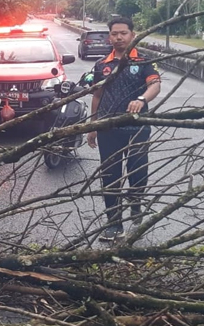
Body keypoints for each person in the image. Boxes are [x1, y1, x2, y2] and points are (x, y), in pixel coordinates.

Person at [86, 17, 161, 241]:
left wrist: (142, 100)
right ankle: (113, 223)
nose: (119, 37)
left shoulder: (145, 61)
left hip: (137, 127)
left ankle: (136, 201)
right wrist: (92, 125)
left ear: (132, 35)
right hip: (108, 128)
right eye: (115, 34)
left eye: (124, 33)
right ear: (109, 37)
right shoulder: (102, 65)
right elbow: (97, 95)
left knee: (138, 170)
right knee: (110, 175)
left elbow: (155, 85)